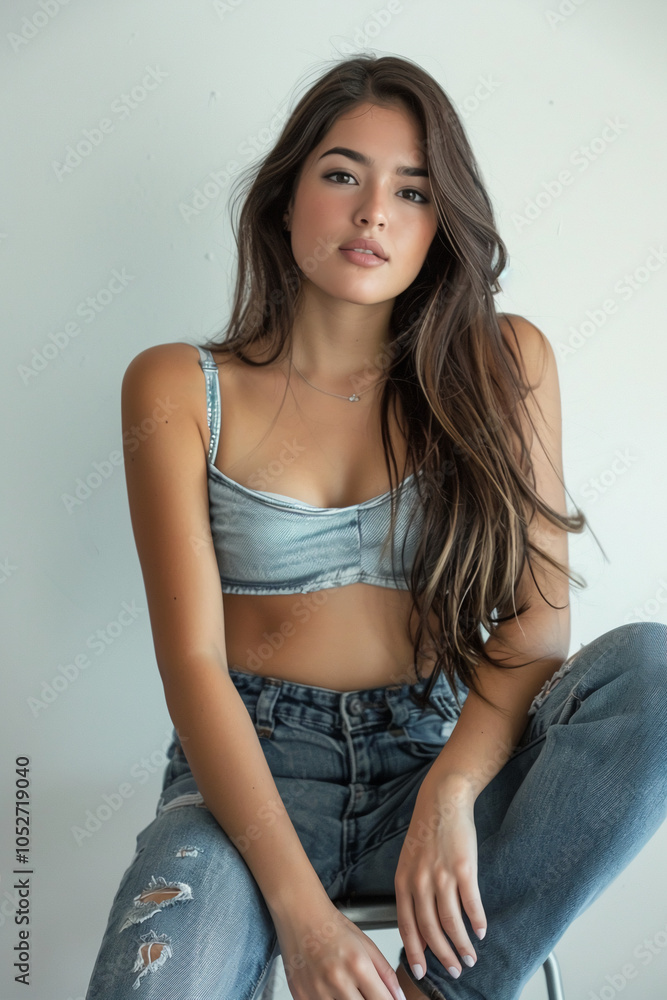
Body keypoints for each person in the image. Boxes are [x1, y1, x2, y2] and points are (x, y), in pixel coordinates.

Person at [84, 54, 667, 1000]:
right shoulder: (179, 387)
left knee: (655, 672)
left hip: (440, 750)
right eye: (342, 174)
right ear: (285, 199)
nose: (372, 214)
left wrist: (451, 790)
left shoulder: (499, 364)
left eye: (413, 189)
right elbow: (190, 667)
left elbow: (537, 624)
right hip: (248, 784)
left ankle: (448, 989)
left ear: (441, 226)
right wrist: (303, 921)